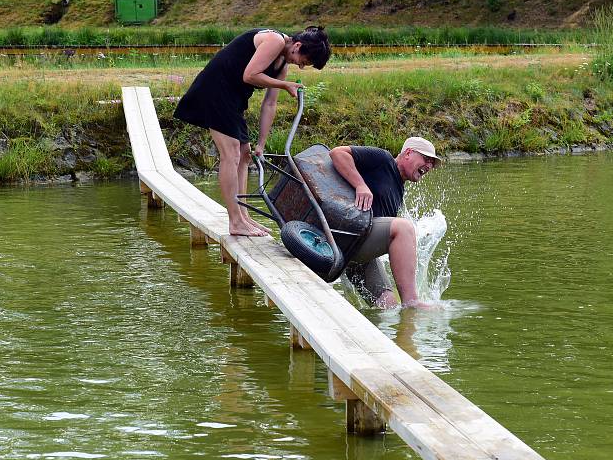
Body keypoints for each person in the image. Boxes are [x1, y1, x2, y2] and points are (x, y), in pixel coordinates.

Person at [174, 26, 331, 237]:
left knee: (245, 155)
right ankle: (235, 222)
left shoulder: (282, 64)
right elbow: (250, 75)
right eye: (303, 61)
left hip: (234, 98)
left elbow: (269, 105)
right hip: (215, 90)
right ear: (298, 45)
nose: (301, 67)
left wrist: (261, 143)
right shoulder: (274, 40)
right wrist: (284, 85)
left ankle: (244, 216)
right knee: (231, 154)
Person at [329, 137, 441, 309]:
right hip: (346, 234)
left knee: (389, 306)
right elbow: (337, 153)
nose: (429, 166)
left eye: (432, 163)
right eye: (426, 159)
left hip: (359, 252)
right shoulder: (383, 159)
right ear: (408, 153)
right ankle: (412, 301)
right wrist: (360, 185)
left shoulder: (398, 189)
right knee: (404, 227)